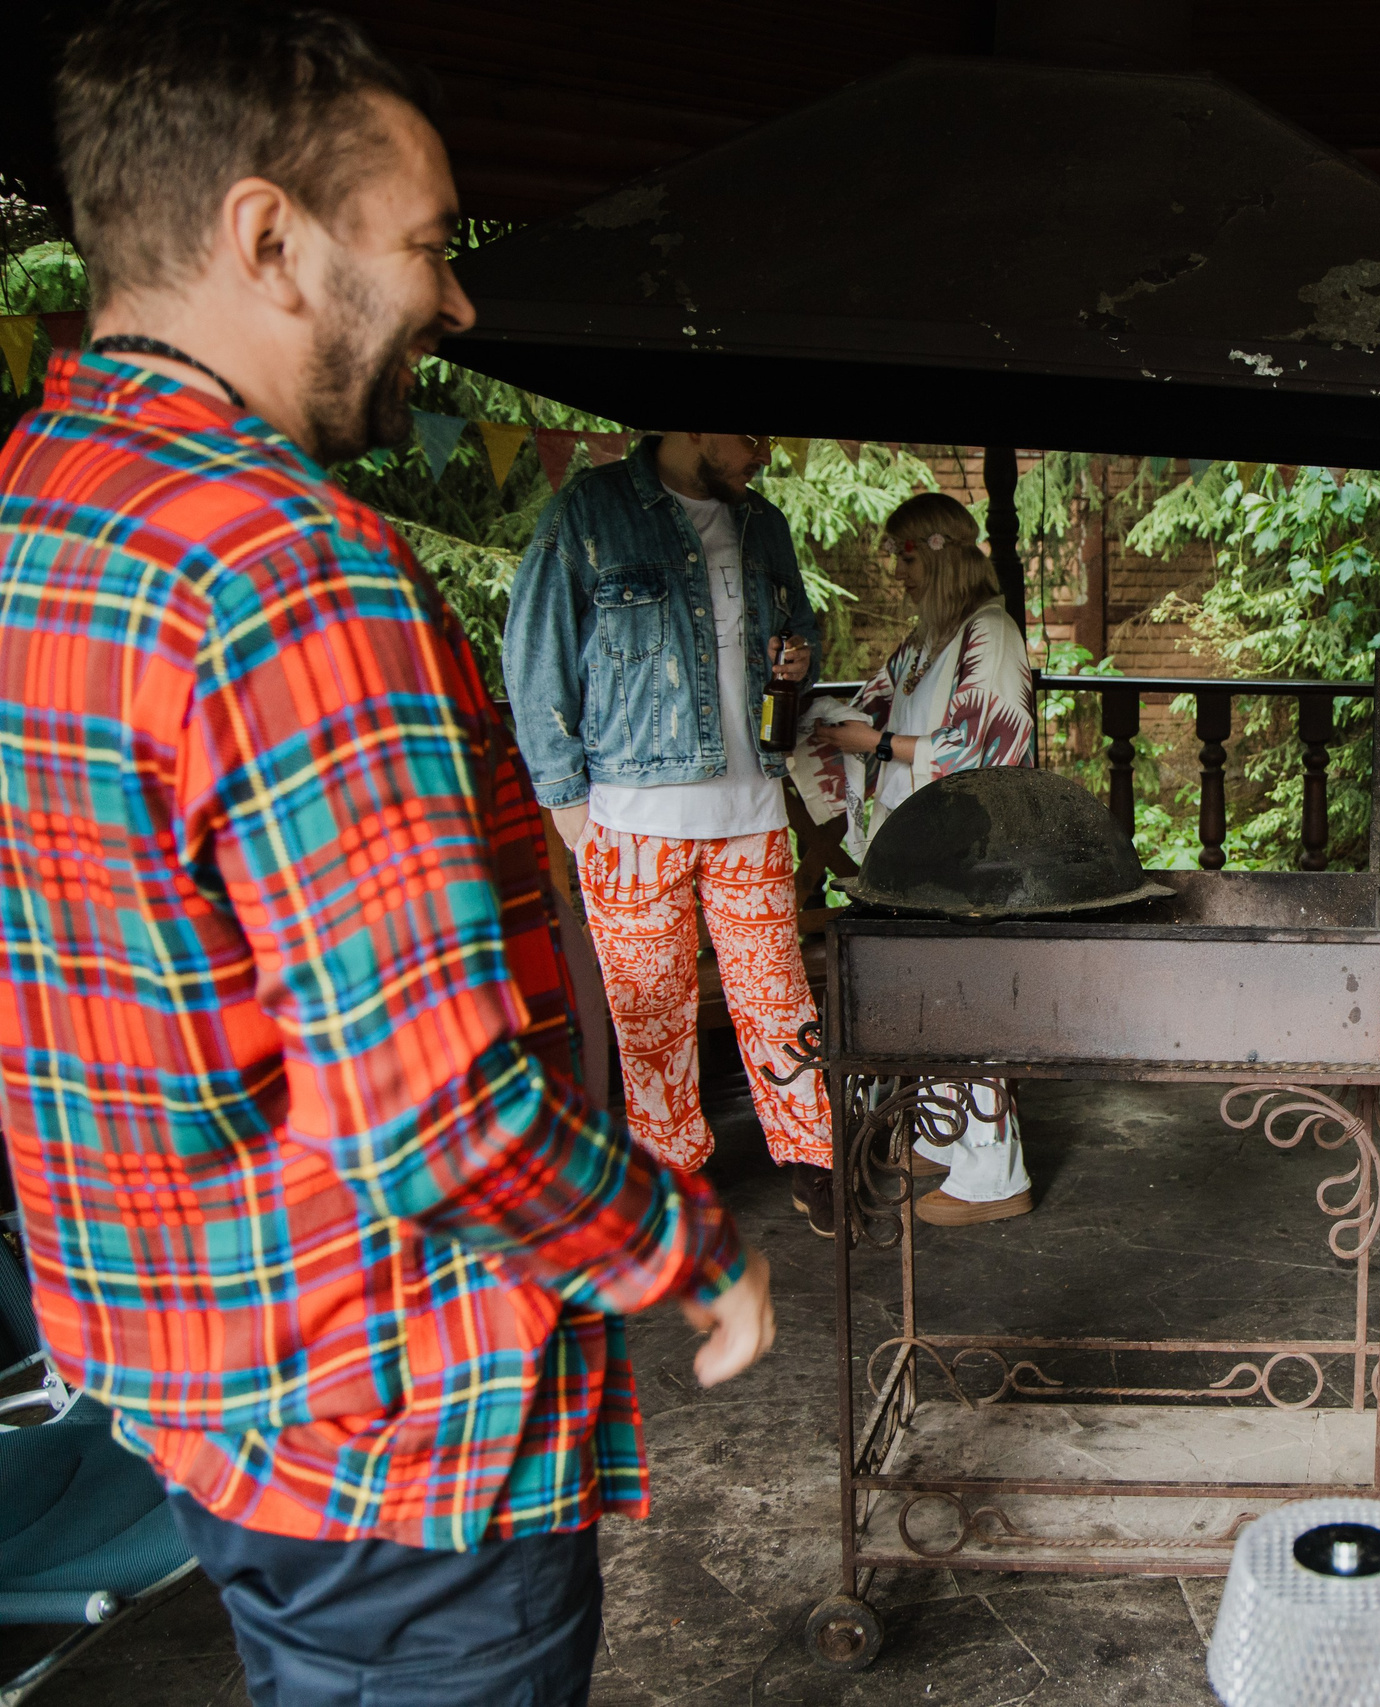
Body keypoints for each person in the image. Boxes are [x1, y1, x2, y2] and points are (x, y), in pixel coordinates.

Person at [0, 5, 772, 1703]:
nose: (457, 300)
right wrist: (683, 1241)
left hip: (193, 1380)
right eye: (426, 243)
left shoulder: (43, 501)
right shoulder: (285, 569)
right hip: (390, 1429)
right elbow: (437, 1113)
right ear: (268, 237)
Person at [503, 431, 837, 1231]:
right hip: (630, 819)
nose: (764, 452)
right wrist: (567, 804)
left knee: (779, 997)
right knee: (649, 1017)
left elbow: (801, 632)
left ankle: (813, 1156)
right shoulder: (590, 511)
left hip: (752, 811)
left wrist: (798, 661)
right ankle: (673, 1180)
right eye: (749, 435)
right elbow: (534, 653)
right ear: (694, 426)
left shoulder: (763, 523)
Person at [802, 492, 1036, 1225]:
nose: (896, 572)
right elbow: (869, 708)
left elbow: (981, 745)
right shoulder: (925, 642)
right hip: (919, 845)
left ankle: (995, 1177)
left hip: (972, 847)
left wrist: (872, 744)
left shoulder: (990, 632)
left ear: (940, 555)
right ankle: (941, 1136)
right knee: (932, 994)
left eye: (904, 557)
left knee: (967, 998)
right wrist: (821, 717)